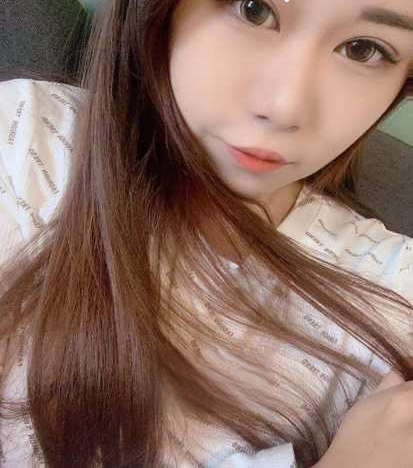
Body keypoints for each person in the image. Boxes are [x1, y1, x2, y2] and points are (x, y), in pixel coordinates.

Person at [0, 0, 412, 466]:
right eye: (253, 10)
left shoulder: (393, 284)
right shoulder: (24, 138)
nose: (283, 108)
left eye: (363, 49)